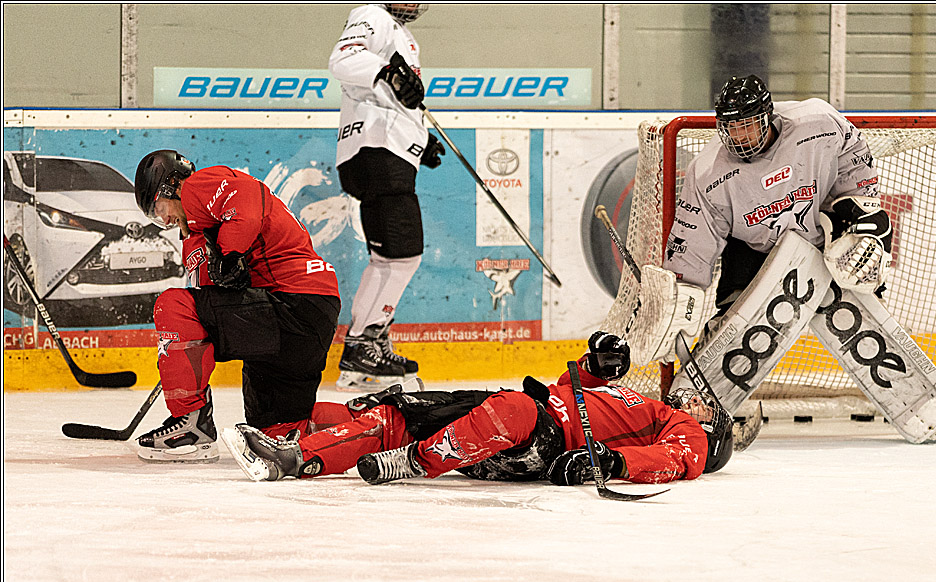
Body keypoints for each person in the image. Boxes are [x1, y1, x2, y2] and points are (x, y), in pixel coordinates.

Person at [222, 332, 737, 486]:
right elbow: (568, 388)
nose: (696, 400)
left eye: (705, 409)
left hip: (540, 440)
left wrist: (614, 464)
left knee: (509, 410)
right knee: (397, 413)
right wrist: (595, 365)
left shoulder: (684, 429)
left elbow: (675, 461)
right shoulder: (640, 402)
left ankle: (413, 462)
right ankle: (291, 452)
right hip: (509, 418)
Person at [132, 150, 341, 463]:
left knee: (172, 306)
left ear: (170, 186)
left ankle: (192, 427)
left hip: (291, 301)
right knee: (277, 432)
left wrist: (229, 253)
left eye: (158, 208)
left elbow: (244, 198)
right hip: (308, 315)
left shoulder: (195, 186)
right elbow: (213, 297)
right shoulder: (199, 228)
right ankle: (385, 416)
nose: (164, 220)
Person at [663, 74, 892, 326]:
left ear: (767, 117)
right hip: (753, 253)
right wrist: (680, 299)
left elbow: (852, 154)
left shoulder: (818, 122)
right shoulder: (707, 172)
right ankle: (731, 314)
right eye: (731, 128)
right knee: (733, 321)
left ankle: (869, 303)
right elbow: (695, 239)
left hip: (823, 238)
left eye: (746, 125)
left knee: (870, 232)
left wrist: (861, 207)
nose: (738, 136)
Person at [327, 3, 445, 391]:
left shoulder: (400, 34)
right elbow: (344, 60)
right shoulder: (372, 15)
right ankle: (366, 342)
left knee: (386, 259)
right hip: (377, 153)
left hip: (375, 154)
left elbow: (390, 98)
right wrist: (388, 72)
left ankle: (361, 350)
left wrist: (420, 141)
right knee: (405, 256)